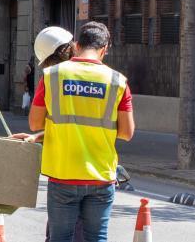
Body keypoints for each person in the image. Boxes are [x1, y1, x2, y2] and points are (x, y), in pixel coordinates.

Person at [28, 22, 135, 242]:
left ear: (77, 45)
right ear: (104, 49)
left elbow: (35, 122)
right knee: (96, 238)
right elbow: (126, 133)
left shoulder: (51, 76)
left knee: (60, 238)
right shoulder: (118, 81)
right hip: (101, 176)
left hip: (63, 174)